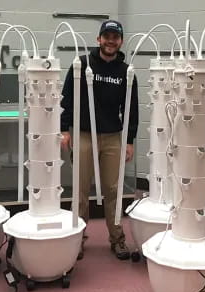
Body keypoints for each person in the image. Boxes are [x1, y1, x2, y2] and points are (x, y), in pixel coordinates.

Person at [60, 20, 139, 260]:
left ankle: (117, 239)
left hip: (113, 137)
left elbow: (131, 109)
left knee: (113, 191)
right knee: (81, 192)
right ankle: (78, 238)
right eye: (107, 36)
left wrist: (129, 140)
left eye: (115, 37)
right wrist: (65, 129)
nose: (110, 41)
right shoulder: (81, 65)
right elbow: (66, 99)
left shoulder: (127, 72)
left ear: (120, 41)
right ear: (99, 39)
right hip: (83, 135)